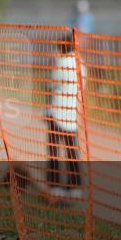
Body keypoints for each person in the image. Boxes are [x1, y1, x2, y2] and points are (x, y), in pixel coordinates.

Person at [47, 31, 85, 201]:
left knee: (54, 151)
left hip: (57, 113)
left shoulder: (62, 63)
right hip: (72, 115)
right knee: (71, 151)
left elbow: (51, 85)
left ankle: (55, 185)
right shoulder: (81, 64)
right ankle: (75, 186)